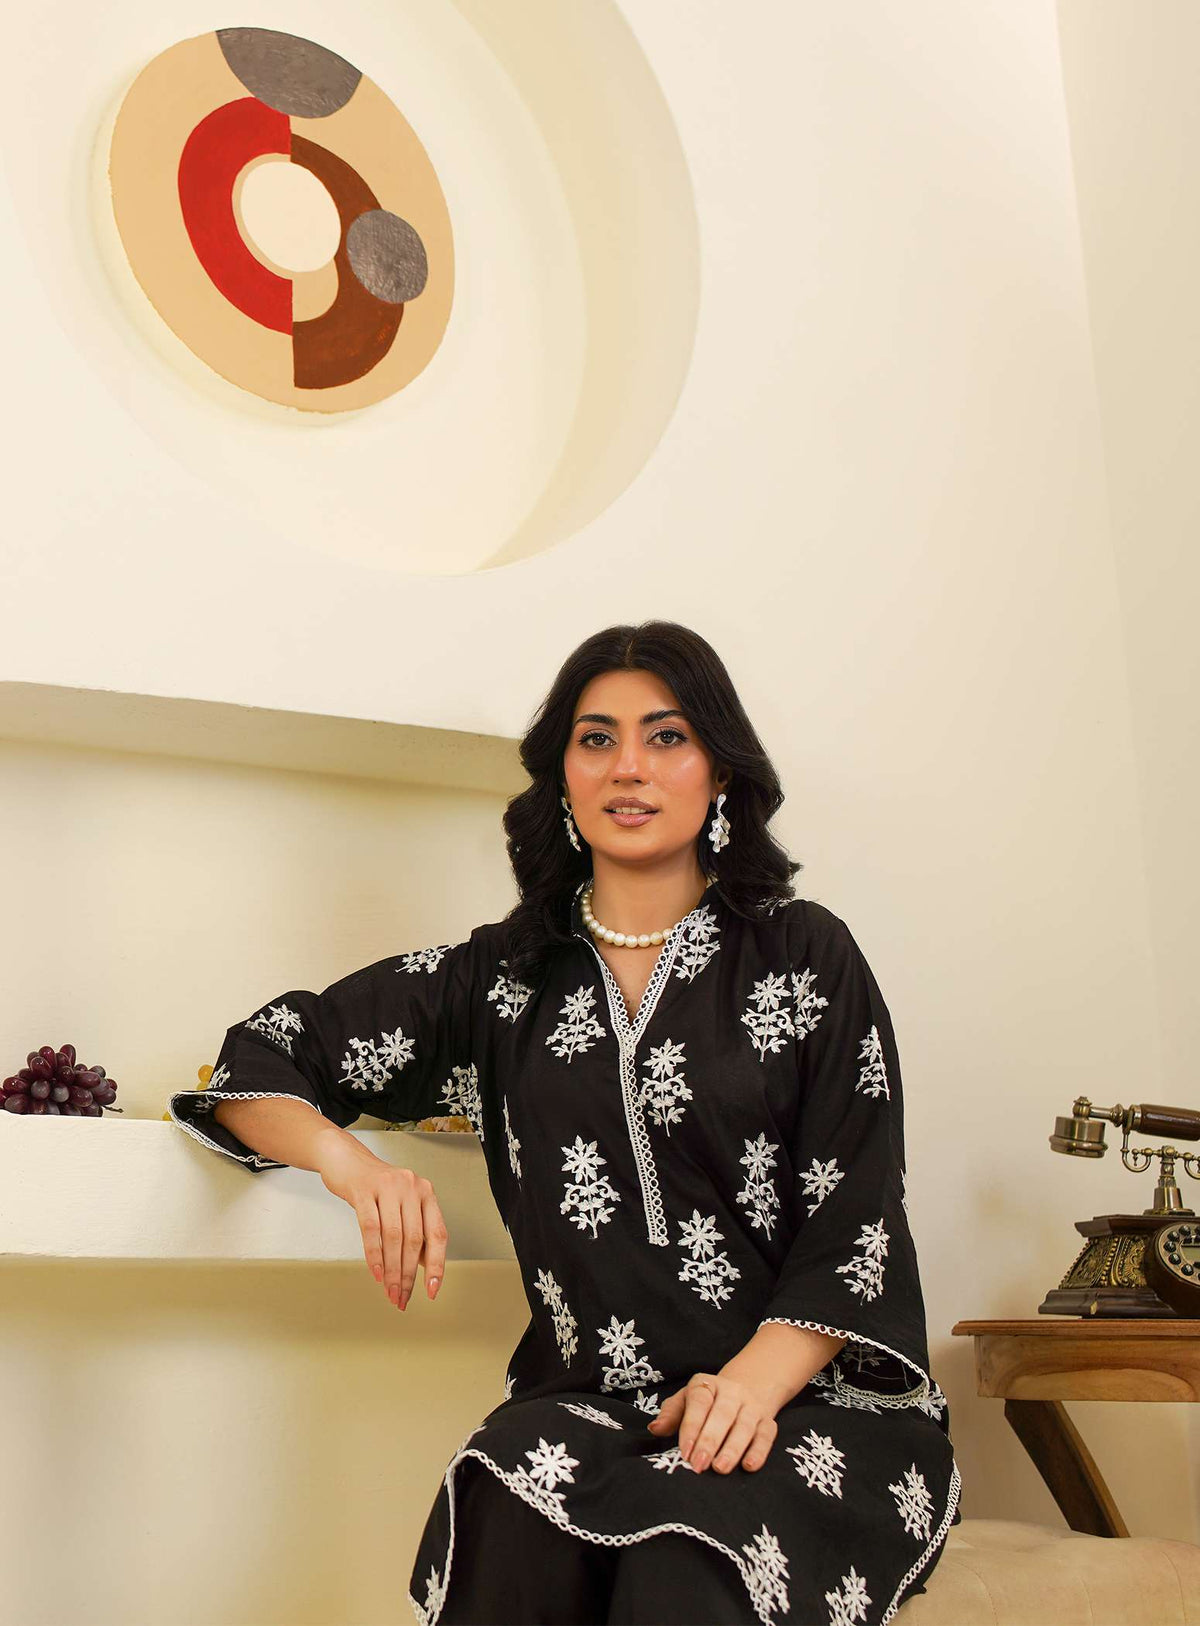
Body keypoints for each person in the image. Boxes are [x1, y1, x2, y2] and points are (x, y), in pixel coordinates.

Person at [170, 620, 962, 1626]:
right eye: (597, 739)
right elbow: (263, 1058)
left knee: (684, 1563)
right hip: (594, 1406)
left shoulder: (804, 955)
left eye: (666, 737)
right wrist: (352, 1164)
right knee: (503, 1501)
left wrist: (748, 1387)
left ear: (720, 769)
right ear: (563, 775)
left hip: (806, 1404)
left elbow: (858, 1208)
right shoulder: (502, 979)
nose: (629, 767)